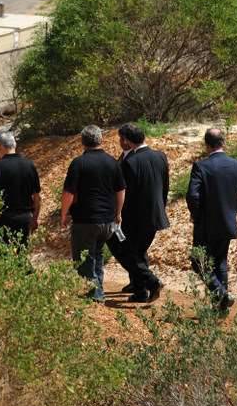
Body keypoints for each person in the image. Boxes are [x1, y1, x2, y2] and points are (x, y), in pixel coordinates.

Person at [186, 127, 237, 310]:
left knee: (198, 261)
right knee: (220, 261)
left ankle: (220, 295)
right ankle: (221, 304)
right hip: (227, 222)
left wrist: (197, 215)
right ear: (223, 143)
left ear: (206, 145)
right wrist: (233, 208)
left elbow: (193, 196)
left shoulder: (201, 166)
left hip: (206, 225)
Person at [61, 125, 125, 303]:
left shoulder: (78, 163)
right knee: (96, 255)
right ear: (101, 140)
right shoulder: (112, 162)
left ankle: (94, 294)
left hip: (85, 220)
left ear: (82, 142)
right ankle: (98, 289)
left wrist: (64, 214)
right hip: (107, 220)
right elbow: (120, 190)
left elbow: (69, 193)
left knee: (83, 258)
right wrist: (118, 213)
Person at [107, 123, 170, 303]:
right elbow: (165, 187)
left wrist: (117, 214)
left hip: (133, 218)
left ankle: (150, 282)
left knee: (123, 250)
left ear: (126, 140)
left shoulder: (128, 163)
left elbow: (124, 193)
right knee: (139, 251)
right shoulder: (160, 156)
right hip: (156, 215)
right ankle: (138, 286)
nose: (120, 142)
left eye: (121, 139)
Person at [0, 131, 41, 248]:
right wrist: (35, 219)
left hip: (4, 220)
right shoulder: (30, 165)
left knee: (1, 259)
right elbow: (36, 197)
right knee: (21, 256)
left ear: (1, 146)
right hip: (25, 219)